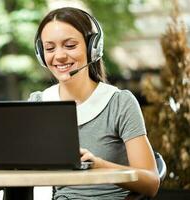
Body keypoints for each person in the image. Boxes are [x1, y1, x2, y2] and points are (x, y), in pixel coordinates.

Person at [29, 7, 160, 200]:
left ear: (93, 48)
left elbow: (151, 182)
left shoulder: (119, 103)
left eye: (70, 45)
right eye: (49, 48)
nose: (59, 56)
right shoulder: (38, 103)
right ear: (41, 54)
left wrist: (98, 165)